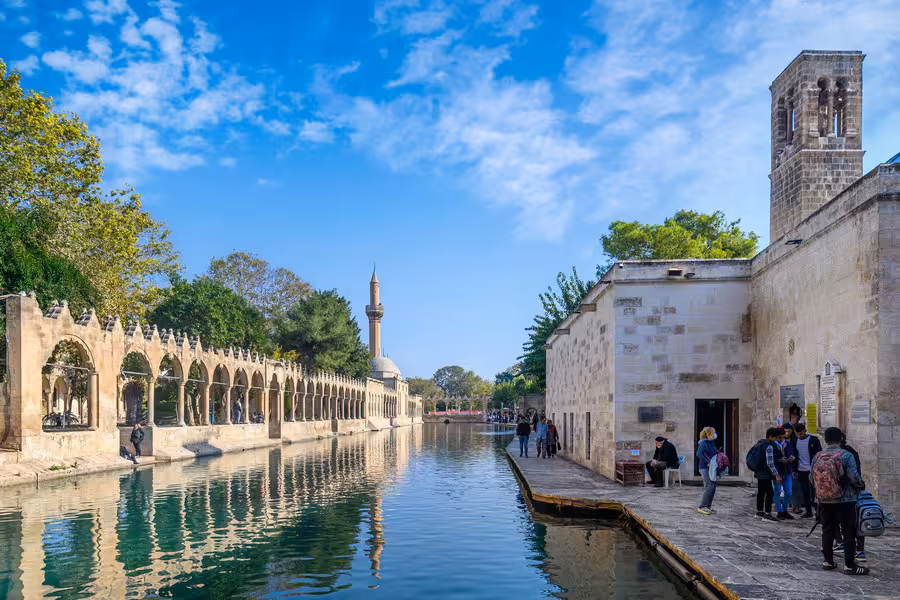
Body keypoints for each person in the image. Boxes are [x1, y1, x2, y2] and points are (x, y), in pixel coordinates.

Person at [814, 427, 868, 575]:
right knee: (848, 531)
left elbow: (811, 478)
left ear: (825, 439)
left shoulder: (818, 455)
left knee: (827, 530)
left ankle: (828, 561)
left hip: (825, 499)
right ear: (841, 438)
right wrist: (860, 485)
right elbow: (854, 477)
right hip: (845, 499)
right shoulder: (846, 455)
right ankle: (849, 565)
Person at [835, 433, 866, 563]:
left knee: (838, 521)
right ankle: (859, 550)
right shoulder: (851, 452)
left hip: (838, 494)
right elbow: (856, 475)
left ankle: (842, 544)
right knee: (855, 522)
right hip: (852, 493)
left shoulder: (841, 454)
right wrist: (860, 485)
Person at [752, 427, 783, 522]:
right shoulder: (769, 446)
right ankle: (767, 514)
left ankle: (759, 511)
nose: (777, 439)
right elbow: (770, 463)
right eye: (776, 437)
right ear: (771, 436)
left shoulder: (759, 443)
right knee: (770, 492)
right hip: (765, 473)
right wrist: (777, 475)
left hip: (758, 471)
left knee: (761, 492)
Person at [794, 422, 821, 518]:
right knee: (805, 491)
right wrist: (794, 470)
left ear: (805, 431)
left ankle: (819, 512)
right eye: (797, 434)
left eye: (801, 433)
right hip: (801, 470)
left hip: (813, 470)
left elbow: (819, 454)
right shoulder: (795, 441)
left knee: (817, 492)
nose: (799, 436)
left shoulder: (813, 440)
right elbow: (795, 456)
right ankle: (808, 511)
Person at [775, 426, 795, 520]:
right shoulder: (773, 445)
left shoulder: (787, 444)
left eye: (783, 437)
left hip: (787, 471)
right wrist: (780, 460)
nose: (781, 439)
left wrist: (791, 458)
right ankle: (780, 511)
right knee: (778, 491)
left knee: (789, 491)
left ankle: (785, 509)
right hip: (778, 472)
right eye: (780, 437)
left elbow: (791, 454)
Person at [696, 427, 718, 514]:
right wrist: (707, 462)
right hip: (704, 468)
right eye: (713, 433)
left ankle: (708, 506)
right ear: (708, 435)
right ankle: (702, 506)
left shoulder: (711, 443)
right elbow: (699, 453)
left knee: (712, 487)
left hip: (711, 468)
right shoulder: (703, 443)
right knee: (709, 486)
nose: (714, 435)